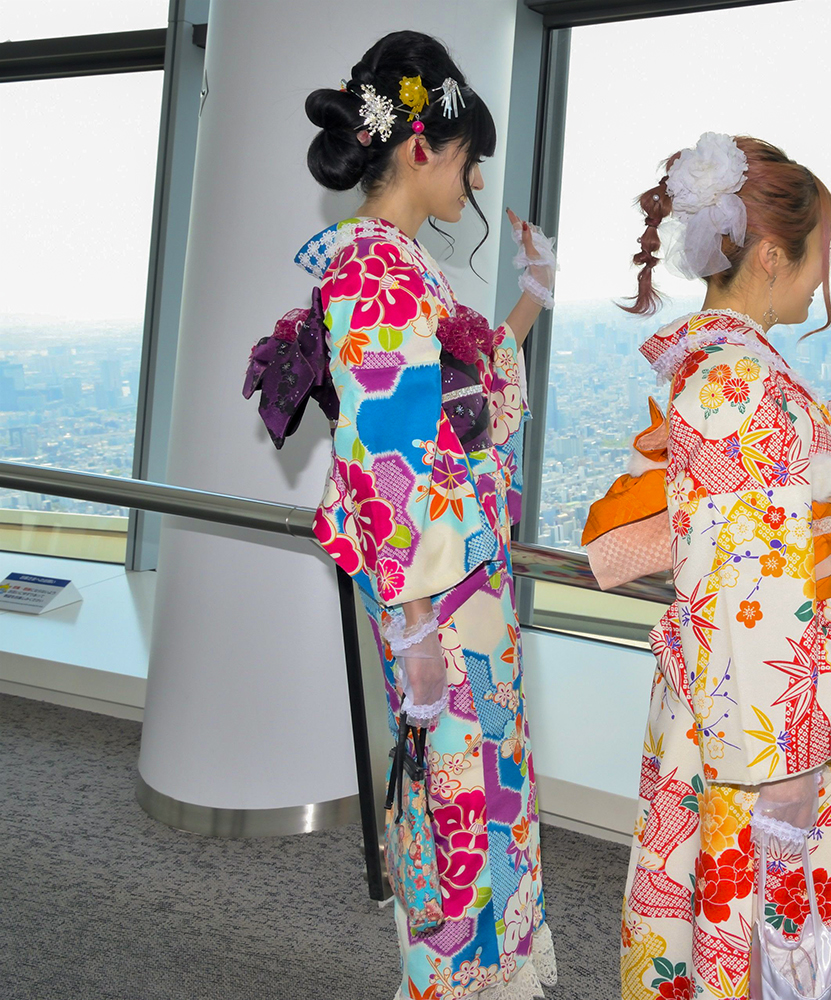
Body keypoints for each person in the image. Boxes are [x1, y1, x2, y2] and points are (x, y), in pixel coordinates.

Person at [617, 132, 831, 1000]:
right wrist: (792, 778)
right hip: (770, 722)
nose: (822, 276)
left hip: (721, 699)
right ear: (772, 253)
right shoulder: (748, 387)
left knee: (721, 933)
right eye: (821, 253)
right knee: (788, 942)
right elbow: (760, 588)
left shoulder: (722, 366)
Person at [272, 30, 559, 999]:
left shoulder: (393, 268)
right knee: (458, 809)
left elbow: (455, 408)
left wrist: (525, 306)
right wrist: (414, 627)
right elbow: (385, 466)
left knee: (474, 800)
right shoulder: (379, 274)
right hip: (439, 598)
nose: (473, 182)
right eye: (470, 159)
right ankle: (453, 982)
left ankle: (480, 975)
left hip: (452, 588)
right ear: (422, 149)